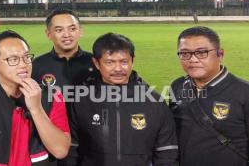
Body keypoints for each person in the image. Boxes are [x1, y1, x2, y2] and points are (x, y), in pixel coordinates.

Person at [0, 30, 71, 166]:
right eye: (13, 59)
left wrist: (36, 109)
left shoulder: (53, 96)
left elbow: (60, 151)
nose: (23, 64)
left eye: (27, 57)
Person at [69, 33, 178, 166]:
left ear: (133, 60)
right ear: (96, 63)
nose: (118, 69)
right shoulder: (82, 100)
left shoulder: (153, 100)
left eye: (124, 62)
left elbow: (167, 150)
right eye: (110, 62)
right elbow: (71, 148)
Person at [170, 26, 249, 166]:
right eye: (185, 53)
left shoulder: (244, 92)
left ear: (220, 54)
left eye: (201, 52)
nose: (192, 59)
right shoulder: (177, 87)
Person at [33, 9, 96, 89]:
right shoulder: (36, 65)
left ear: (80, 31)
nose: (66, 35)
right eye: (59, 30)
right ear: (49, 34)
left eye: (72, 29)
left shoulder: (96, 63)